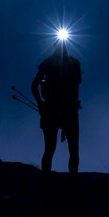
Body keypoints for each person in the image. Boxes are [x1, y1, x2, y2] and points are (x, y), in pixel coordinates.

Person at [31, 44, 82, 174]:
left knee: (51, 149)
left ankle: (47, 179)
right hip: (66, 110)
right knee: (70, 150)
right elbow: (75, 89)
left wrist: (40, 104)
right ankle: (72, 180)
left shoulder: (48, 62)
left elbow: (34, 86)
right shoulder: (74, 63)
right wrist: (40, 104)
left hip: (53, 110)